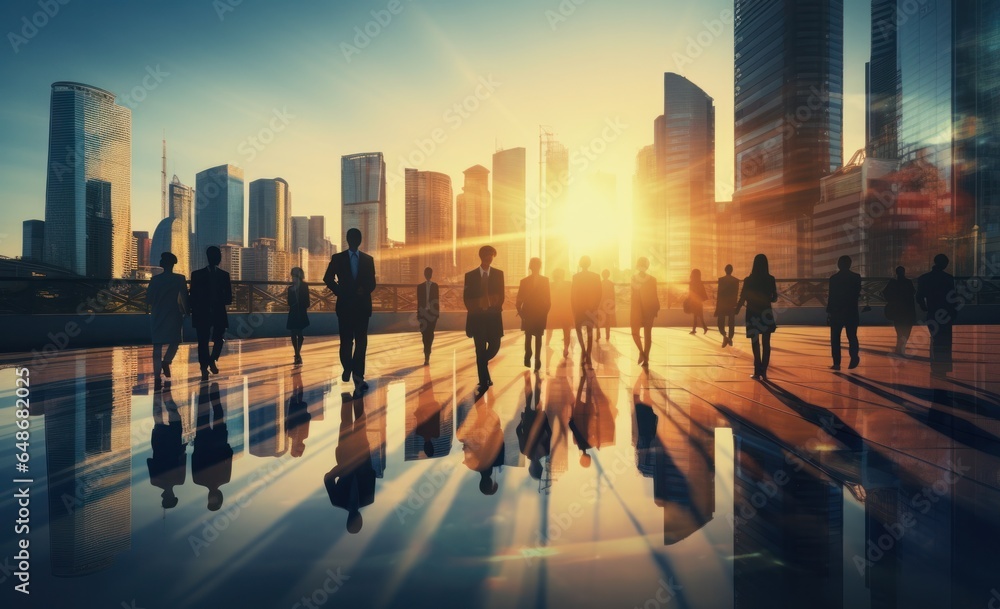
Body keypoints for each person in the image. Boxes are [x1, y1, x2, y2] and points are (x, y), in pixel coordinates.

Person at [324, 228, 377, 394]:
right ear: (348, 240)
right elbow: (327, 278)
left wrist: (365, 289)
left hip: (361, 307)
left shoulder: (368, 260)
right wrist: (340, 291)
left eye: (357, 238)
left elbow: (372, 282)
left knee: (361, 342)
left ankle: (358, 376)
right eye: (353, 237)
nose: (355, 240)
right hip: (346, 307)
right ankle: (348, 367)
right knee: (346, 342)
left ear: (359, 240)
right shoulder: (338, 258)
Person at [324, 394, 376, 533]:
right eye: (358, 523)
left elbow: (328, 479)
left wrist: (341, 468)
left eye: (355, 522)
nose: (357, 519)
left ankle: (347, 397)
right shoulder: (368, 499)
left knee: (346, 423)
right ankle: (358, 395)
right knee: (360, 423)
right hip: (361, 454)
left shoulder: (337, 501)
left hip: (345, 455)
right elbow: (372, 473)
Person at [463, 245, 505, 391]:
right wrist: (475, 310)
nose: (491, 258)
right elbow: (466, 297)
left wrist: (495, 307)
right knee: (479, 349)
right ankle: (484, 380)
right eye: (488, 255)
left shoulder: (499, 274)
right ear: (482, 256)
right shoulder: (470, 276)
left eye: (492, 255)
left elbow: (501, 295)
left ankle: (482, 363)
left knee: (495, 346)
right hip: (478, 318)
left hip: (493, 317)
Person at [189, 246, 233, 381]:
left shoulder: (199, 275)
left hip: (209, 312)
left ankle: (209, 361)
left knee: (215, 340)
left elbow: (193, 296)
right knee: (205, 341)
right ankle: (205, 366)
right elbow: (228, 298)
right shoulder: (220, 275)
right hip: (207, 312)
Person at [146, 251, 188, 389]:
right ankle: (167, 361)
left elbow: (149, 299)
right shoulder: (180, 279)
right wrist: (187, 311)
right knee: (175, 341)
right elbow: (184, 297)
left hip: (157, 313)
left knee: (157, 345)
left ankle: (157, 375)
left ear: (163, 264)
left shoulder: (155, 280)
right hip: (174, 313)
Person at [192, 382, 234, 511]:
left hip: (210, 441)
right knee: (213, 413)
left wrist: (225, 447)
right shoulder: (200, 480)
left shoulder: (199, 480)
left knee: (208, 413)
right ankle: (209, 390)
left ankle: (206, 389)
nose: (211, 499)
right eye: (214, 501)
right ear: (218, 498)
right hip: (213, 442)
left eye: (210, 501)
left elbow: (194, 459)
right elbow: (229, 458)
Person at [735, 254, 778, 380]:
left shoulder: (748, 280)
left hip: (753, 313)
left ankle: (756, 370)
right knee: (766, 342)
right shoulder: (771, 279)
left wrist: (736, 310)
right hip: (766, 312)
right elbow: (774, 298)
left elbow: (742, 297)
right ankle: (764, 371)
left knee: (755, 342)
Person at [147, 383, 186, 510]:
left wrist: (183, 447)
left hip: (174, 442)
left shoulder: (180, 480)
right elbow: (150, 461)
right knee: (158, 413)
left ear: (174, 496)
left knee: (173, 413)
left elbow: (182, 458)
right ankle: (158, 389)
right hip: (159, 443)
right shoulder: (155, 481)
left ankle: (166, 391)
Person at [916, 253, 957, 375]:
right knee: (945, 340)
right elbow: (953, 297)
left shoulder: (924, 278)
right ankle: (943, 365)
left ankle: (937, 365)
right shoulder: (948, 278)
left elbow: (919, 296)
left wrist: (925, 307)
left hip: (933, 312)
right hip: (946, 312)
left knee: (936, 338)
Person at [827, 255, 863, 370]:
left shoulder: (834, 279)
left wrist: (829, 311)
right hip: (851, 311)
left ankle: (837, 363)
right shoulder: (856, 277)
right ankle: (853, 356)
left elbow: (831, 296)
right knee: (852, 336)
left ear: (839, 265)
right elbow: (856, 294)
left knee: (835, 338)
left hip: (837, 311)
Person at [516, 257, 550, 371]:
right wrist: (520, 312)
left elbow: (548, 298)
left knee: (537, 336)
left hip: (540, 313)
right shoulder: (524, 281)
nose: (535, 267)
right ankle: (529, 354)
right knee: (529, 335)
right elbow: (519, 298)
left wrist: (545, 311)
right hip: (528, 313)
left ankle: (537, 358)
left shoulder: (545, 281)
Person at [571, 256, 602, 368]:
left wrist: (573, 307)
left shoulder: (576, 277)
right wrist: (596, 306)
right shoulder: (596, 276)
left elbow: (573, 294)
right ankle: (588, 354)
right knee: (589, 331)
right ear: (589, 264)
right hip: (591, 308)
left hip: (579, 307)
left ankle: (583, 350)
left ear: (580, 263)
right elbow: (599, 293)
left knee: (578, 329)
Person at [630, 257, 660, 367]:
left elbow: (634, 295)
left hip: (637, 309)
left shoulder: (633, 278)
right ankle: (645, 357)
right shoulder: (653, 279)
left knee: (635, 332)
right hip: (648, 309)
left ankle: (642, 353)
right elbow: (654, 295)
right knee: (647, 334)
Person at [882, 266, 917, 356]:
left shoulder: (893, 283)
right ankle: (902, 345)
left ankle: (900, 345)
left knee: (899, 329)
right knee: (907, 329)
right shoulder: (908, 282)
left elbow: (885, 293)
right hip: (907, 310)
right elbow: (913, 294)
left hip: (897, 310)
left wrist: (891, 301)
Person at [546, 269, 574, 356]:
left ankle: (547, 343)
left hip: (554, 309)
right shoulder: (569, 284)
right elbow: (572, 297)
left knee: (549, 328)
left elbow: (547, 298)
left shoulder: (550, 285)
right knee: (566, 330)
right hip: (566, 310)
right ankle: (565, 349)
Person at [286, 267, 311, 366]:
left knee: (299, 333)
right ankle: (297, 354)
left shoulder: (304, 286)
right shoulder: (290, 288)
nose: (294, 278)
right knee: (293, 332)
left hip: (301, 312)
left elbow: (307, 302)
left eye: (295, 276)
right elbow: (289, 302)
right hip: (293, 312)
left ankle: (297, 354)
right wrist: (293, 292)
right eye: (293, 275)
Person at [416, 267, 440, 366]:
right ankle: (426, 349)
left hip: (432, 313)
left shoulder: (435, 286)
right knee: (424, 333)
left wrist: (437, 313)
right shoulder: (420, 286)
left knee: (430, 333)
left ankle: (427, 353)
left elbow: (437, 300)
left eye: (429, 273)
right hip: (423, 313)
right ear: (424, 274)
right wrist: (418, 313)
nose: (428, 274)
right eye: (426, 272)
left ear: (431, 274)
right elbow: (418, 301)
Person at [715, 264, 740, 347]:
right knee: (731, 323)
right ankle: (730, 338)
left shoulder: (721, 280)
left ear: (725, 270)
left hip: (722, 304)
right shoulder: (736, 280)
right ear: (731, 270)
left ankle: (724, 336)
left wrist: (717, 307)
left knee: (720, 323)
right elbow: (736, 294)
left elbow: (719, 294)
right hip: (731, 305)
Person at [687, 269, 709, 335]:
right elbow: (702, 292)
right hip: (699, 301)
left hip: (694, 301)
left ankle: (698, 329)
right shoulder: (700, 282)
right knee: (699, 316)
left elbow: (690, 292)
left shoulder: (691, 283)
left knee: (696, 316)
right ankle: (699, 328)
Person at [599, 269, 616, 341]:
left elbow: (598, 294)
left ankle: (598, 334)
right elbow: (613, 295)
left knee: (599, 319)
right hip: (608, 303)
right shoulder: (611, 283)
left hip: (601, 303)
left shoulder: (600, 283)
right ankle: (607, 335)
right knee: (608, 320)